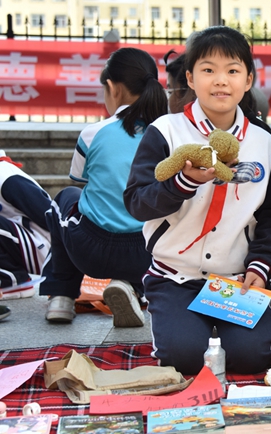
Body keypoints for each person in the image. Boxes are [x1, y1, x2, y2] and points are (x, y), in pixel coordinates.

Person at [123, 26, 271, 376]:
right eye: (208, 70)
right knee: (184, 357)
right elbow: (137, 203)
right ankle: (180, 324)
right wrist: (183, 182)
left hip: (235, 279)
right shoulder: (166, 131)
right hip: (175, 276)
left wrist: (260, 265)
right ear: (190, 77)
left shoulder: (266, 143)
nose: (220, 80)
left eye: (232, 70)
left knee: (251, 358)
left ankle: (245, 329)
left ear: (248, 80)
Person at [39, 47, 168, 326]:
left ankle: (61, 296)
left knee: (65, 198)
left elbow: (81, 179)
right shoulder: (168, 134)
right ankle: (132, 288)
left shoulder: (93, 133)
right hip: (148, 255)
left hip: (91, 251)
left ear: (113, 88)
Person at [0, 151, 52, 319]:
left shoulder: (6, 176)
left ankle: (12, 281)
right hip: (24, 242)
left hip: (45, 248)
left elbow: (48, 215)